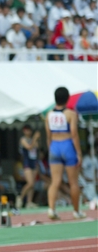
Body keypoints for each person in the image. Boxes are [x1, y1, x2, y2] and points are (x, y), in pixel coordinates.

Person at [45, 86, 85, 219]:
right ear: (67, 98)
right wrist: (78, 153)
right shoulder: (71, 114)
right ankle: (76, 211)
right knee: (73, 182)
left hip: (54, 146)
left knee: (55, 181)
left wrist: (50, 149)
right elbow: (74, 135)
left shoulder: (49, 115)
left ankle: (51, 209)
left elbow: (48, 135)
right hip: (67, 145)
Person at [18, 124, 41, 208]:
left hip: (33, 161)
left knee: (33, 184)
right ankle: (20, 198)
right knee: (30, 183)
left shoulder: (33, 139)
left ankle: (29, 201)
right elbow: (29, 147)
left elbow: (37, 148)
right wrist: (35, 138)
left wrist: (36, 139)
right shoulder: (23, 139)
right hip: (27, 162)